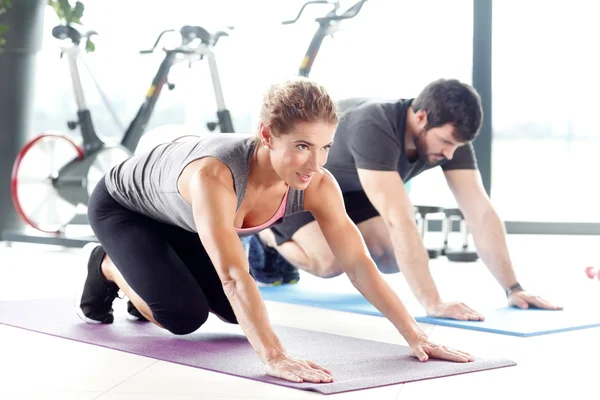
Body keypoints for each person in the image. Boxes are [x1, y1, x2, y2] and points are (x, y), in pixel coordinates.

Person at [77, 77, 475, 384]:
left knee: (238, 316)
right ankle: (108, 265)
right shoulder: (215, 176)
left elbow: (358, 264)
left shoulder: (317, 183)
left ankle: (149, 278)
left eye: (325, 148)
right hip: (126, 207)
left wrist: (416, 335)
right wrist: (273, 356)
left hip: (180, 217)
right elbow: (234, 276)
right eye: (302, 146)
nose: (314, 163)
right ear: (267, 134)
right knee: (184, 317)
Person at [249, 78, 563, 321]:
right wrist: (432, 303)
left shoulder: (450, 138)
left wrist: (514, 288)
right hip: (301, 185)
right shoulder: (375, 125)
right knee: (332, 262)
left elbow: (479, 211)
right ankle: (265, 234)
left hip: (353, 189)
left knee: (391, 258)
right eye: (445, 143)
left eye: (456, 146)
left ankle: (280, 237)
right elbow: (399, 218)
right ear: (422, 117)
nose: (449, 155)